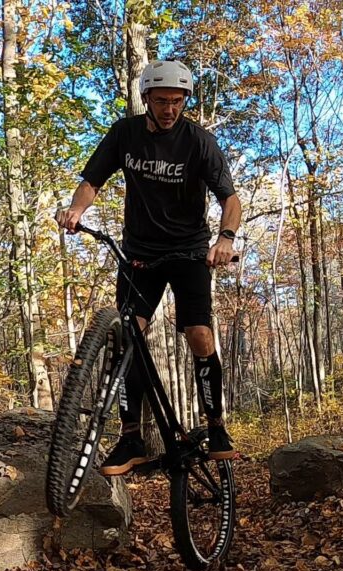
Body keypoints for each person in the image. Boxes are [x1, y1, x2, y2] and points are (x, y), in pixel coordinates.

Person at [56, 59, 241, 475]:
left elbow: (230, 199)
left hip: (190, 251)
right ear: (146, 100)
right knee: (128, 340)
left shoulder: (198, 141)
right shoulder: (125, 134)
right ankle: (131, 437)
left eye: (177, 102)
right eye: (162, 101)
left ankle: (216, 427)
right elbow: (92, 181)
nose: (170, 109)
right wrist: (75, 209)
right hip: (140, 252)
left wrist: (225, 239)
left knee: (198, 334)